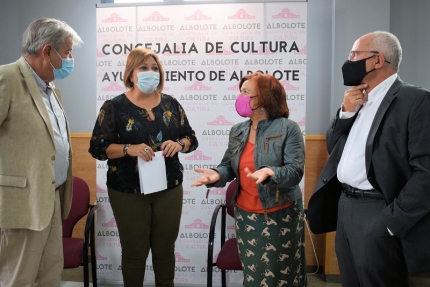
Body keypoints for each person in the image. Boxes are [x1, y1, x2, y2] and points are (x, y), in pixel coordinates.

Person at [307, 31, 430, 287]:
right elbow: (334, 146)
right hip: (346, 206)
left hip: (378, 212)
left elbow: (426, 172)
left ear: (378, 60)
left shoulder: (416, 100)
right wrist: (345, 113)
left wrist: (391, 222)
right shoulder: (357, 98)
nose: (348, 61)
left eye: (354, 55)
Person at [89, 47, 198, 287]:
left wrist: (179, 144)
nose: (151, 72)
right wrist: (128, 148)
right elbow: (97, 147)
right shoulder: (114, 107)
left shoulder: (171, 104)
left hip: (168, 188)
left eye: (154, 68)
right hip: (127, 191)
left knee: (165, 249)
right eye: (144, 68)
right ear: (130, 74)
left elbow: (191, 137)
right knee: (134, 251)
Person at [192, 72, 307, 287]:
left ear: (264, 97)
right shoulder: (238, 130)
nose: (240, 97)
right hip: (246, 217)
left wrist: (271, 173)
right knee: (254, 278)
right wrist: (217, 175)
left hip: (279, 215)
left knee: (280, 278)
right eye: (240, 92)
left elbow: (295, 171)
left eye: (246, 92)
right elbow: (228, 166)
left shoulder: (288, 128)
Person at [0, 18, 82, 286]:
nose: (70, 59)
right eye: (68, 52)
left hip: (51, 198)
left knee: (49, 275)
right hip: (22, 204)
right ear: (48, 51)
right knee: (19, 278)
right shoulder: (7, 78)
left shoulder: (49, 90)